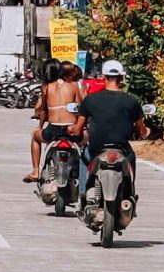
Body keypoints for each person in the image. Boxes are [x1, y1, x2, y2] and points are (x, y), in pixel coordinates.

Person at [70, 60, 148, 198]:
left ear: (103, 77)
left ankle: (82, 194)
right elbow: (142, 131)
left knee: (84, 158)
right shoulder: (131, 101)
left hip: (96, 148)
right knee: (131, 159)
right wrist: (146, 132)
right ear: (122, 78)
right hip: (122, 148)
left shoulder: (90, 100)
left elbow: (77, 129)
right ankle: (130, 194)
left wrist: (72, 130)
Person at [25, 59, 82, 181]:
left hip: (53, 130)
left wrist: (40, 126)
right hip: (71, 130)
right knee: (87, 140)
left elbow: (43, 110)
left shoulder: (46, 87)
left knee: (35, 136)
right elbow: (79, 107)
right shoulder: (74, 85)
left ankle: (35, 171)